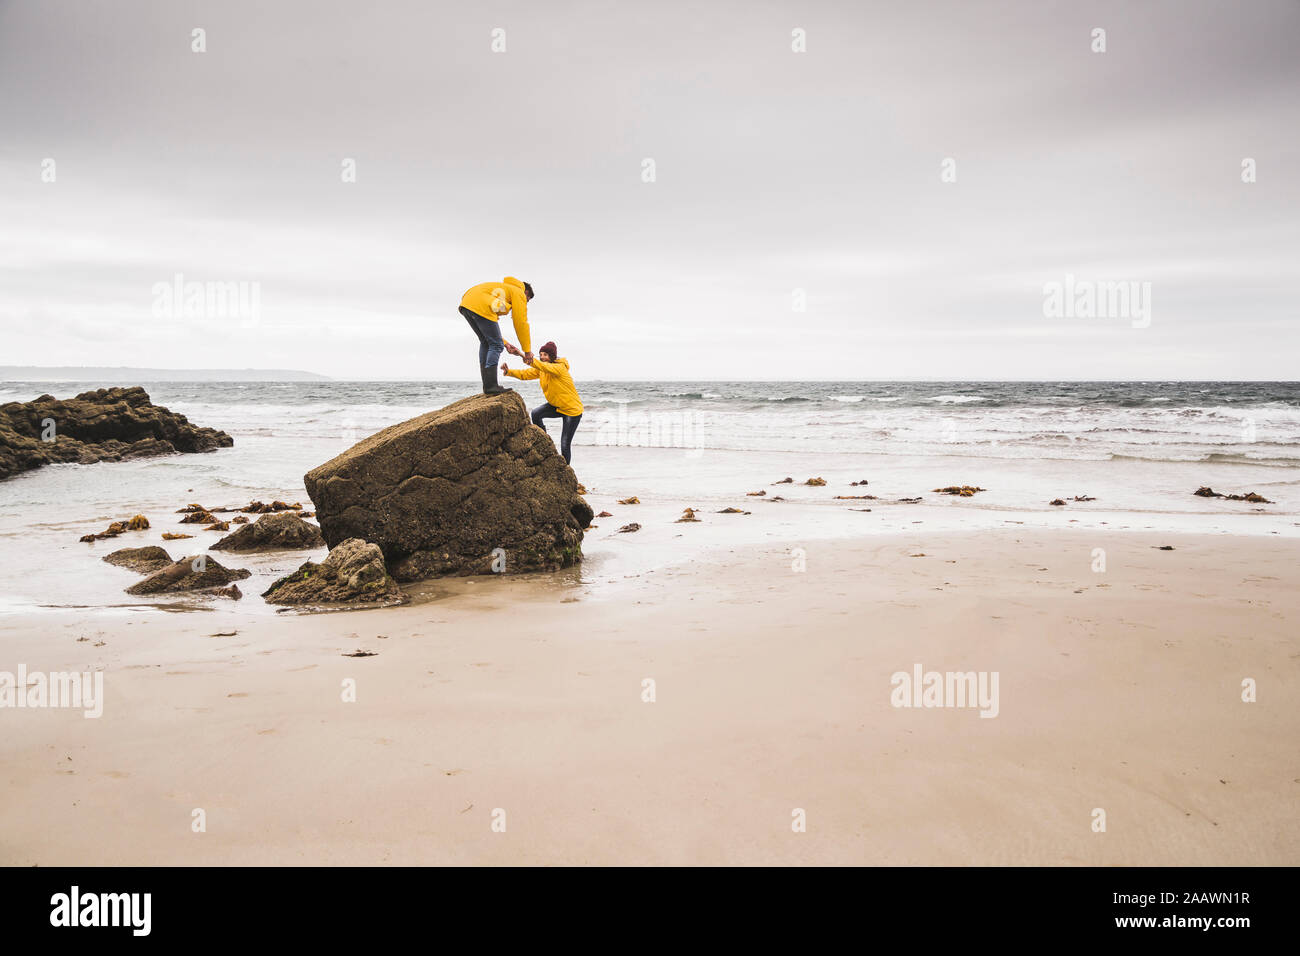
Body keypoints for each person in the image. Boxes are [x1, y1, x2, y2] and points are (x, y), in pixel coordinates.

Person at [501, 340, 583, 464]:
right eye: (541, 355)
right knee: (536, 413)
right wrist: (509, 372)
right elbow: (526, 374)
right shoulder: (542, 370)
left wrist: (521, 354)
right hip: (556, 406)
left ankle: (565, 470)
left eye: (545, 354)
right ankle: (544, 442)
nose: (543, 357)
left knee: (565, 443)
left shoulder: (559, 368)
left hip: (572, 410)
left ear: (552, 356)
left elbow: (542, 366)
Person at [459, 276, 534, 394]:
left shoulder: (504, 289)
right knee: (496, 345)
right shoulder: (518, 292)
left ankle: (487, 386)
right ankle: (491, 386)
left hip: (467, 303)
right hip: (480, 305)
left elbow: (490, 332)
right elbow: (521, 322)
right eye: (527, 300)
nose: (525, 303)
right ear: (526, 293)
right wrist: (527, 350)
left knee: (486, 342)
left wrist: (506, 344)